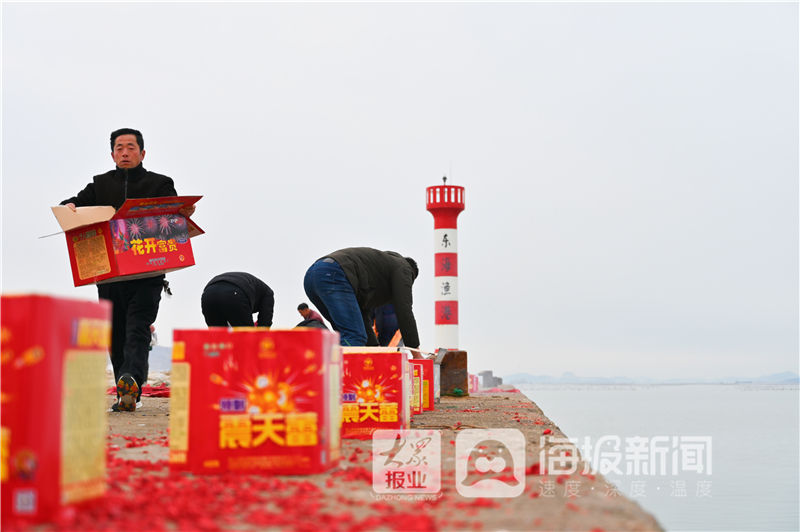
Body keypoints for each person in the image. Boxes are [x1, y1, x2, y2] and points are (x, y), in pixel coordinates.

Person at [60, 128, 194, 412]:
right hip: (109, 275)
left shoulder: (160, 183)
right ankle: (126, 389)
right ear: (112, 154)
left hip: (148, 275)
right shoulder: (99, 185)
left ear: (142, 153)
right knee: (114, 332)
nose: (124, 152)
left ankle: (131, 377)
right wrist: (68, 206)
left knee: (137, 329)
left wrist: (183, 214)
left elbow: (174, 212)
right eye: (119, 148)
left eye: (130, 147)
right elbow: (72, 207)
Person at [303, 247, 420, 348]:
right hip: (334, 274)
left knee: (346, 335)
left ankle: (326, 370)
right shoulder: (404, 268)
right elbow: (404, 309)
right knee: (354, 335)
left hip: (312, 277)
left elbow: (362, 316)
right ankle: (344, 374)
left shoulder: (375, 272)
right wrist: (415, 351)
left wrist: (374, 348)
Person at [201, 272, 274, 328]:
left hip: (208, 295)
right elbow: (264, 326)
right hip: (235, 292)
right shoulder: (268, 294)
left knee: (219, 340)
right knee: (247, 339)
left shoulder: (258, 289)